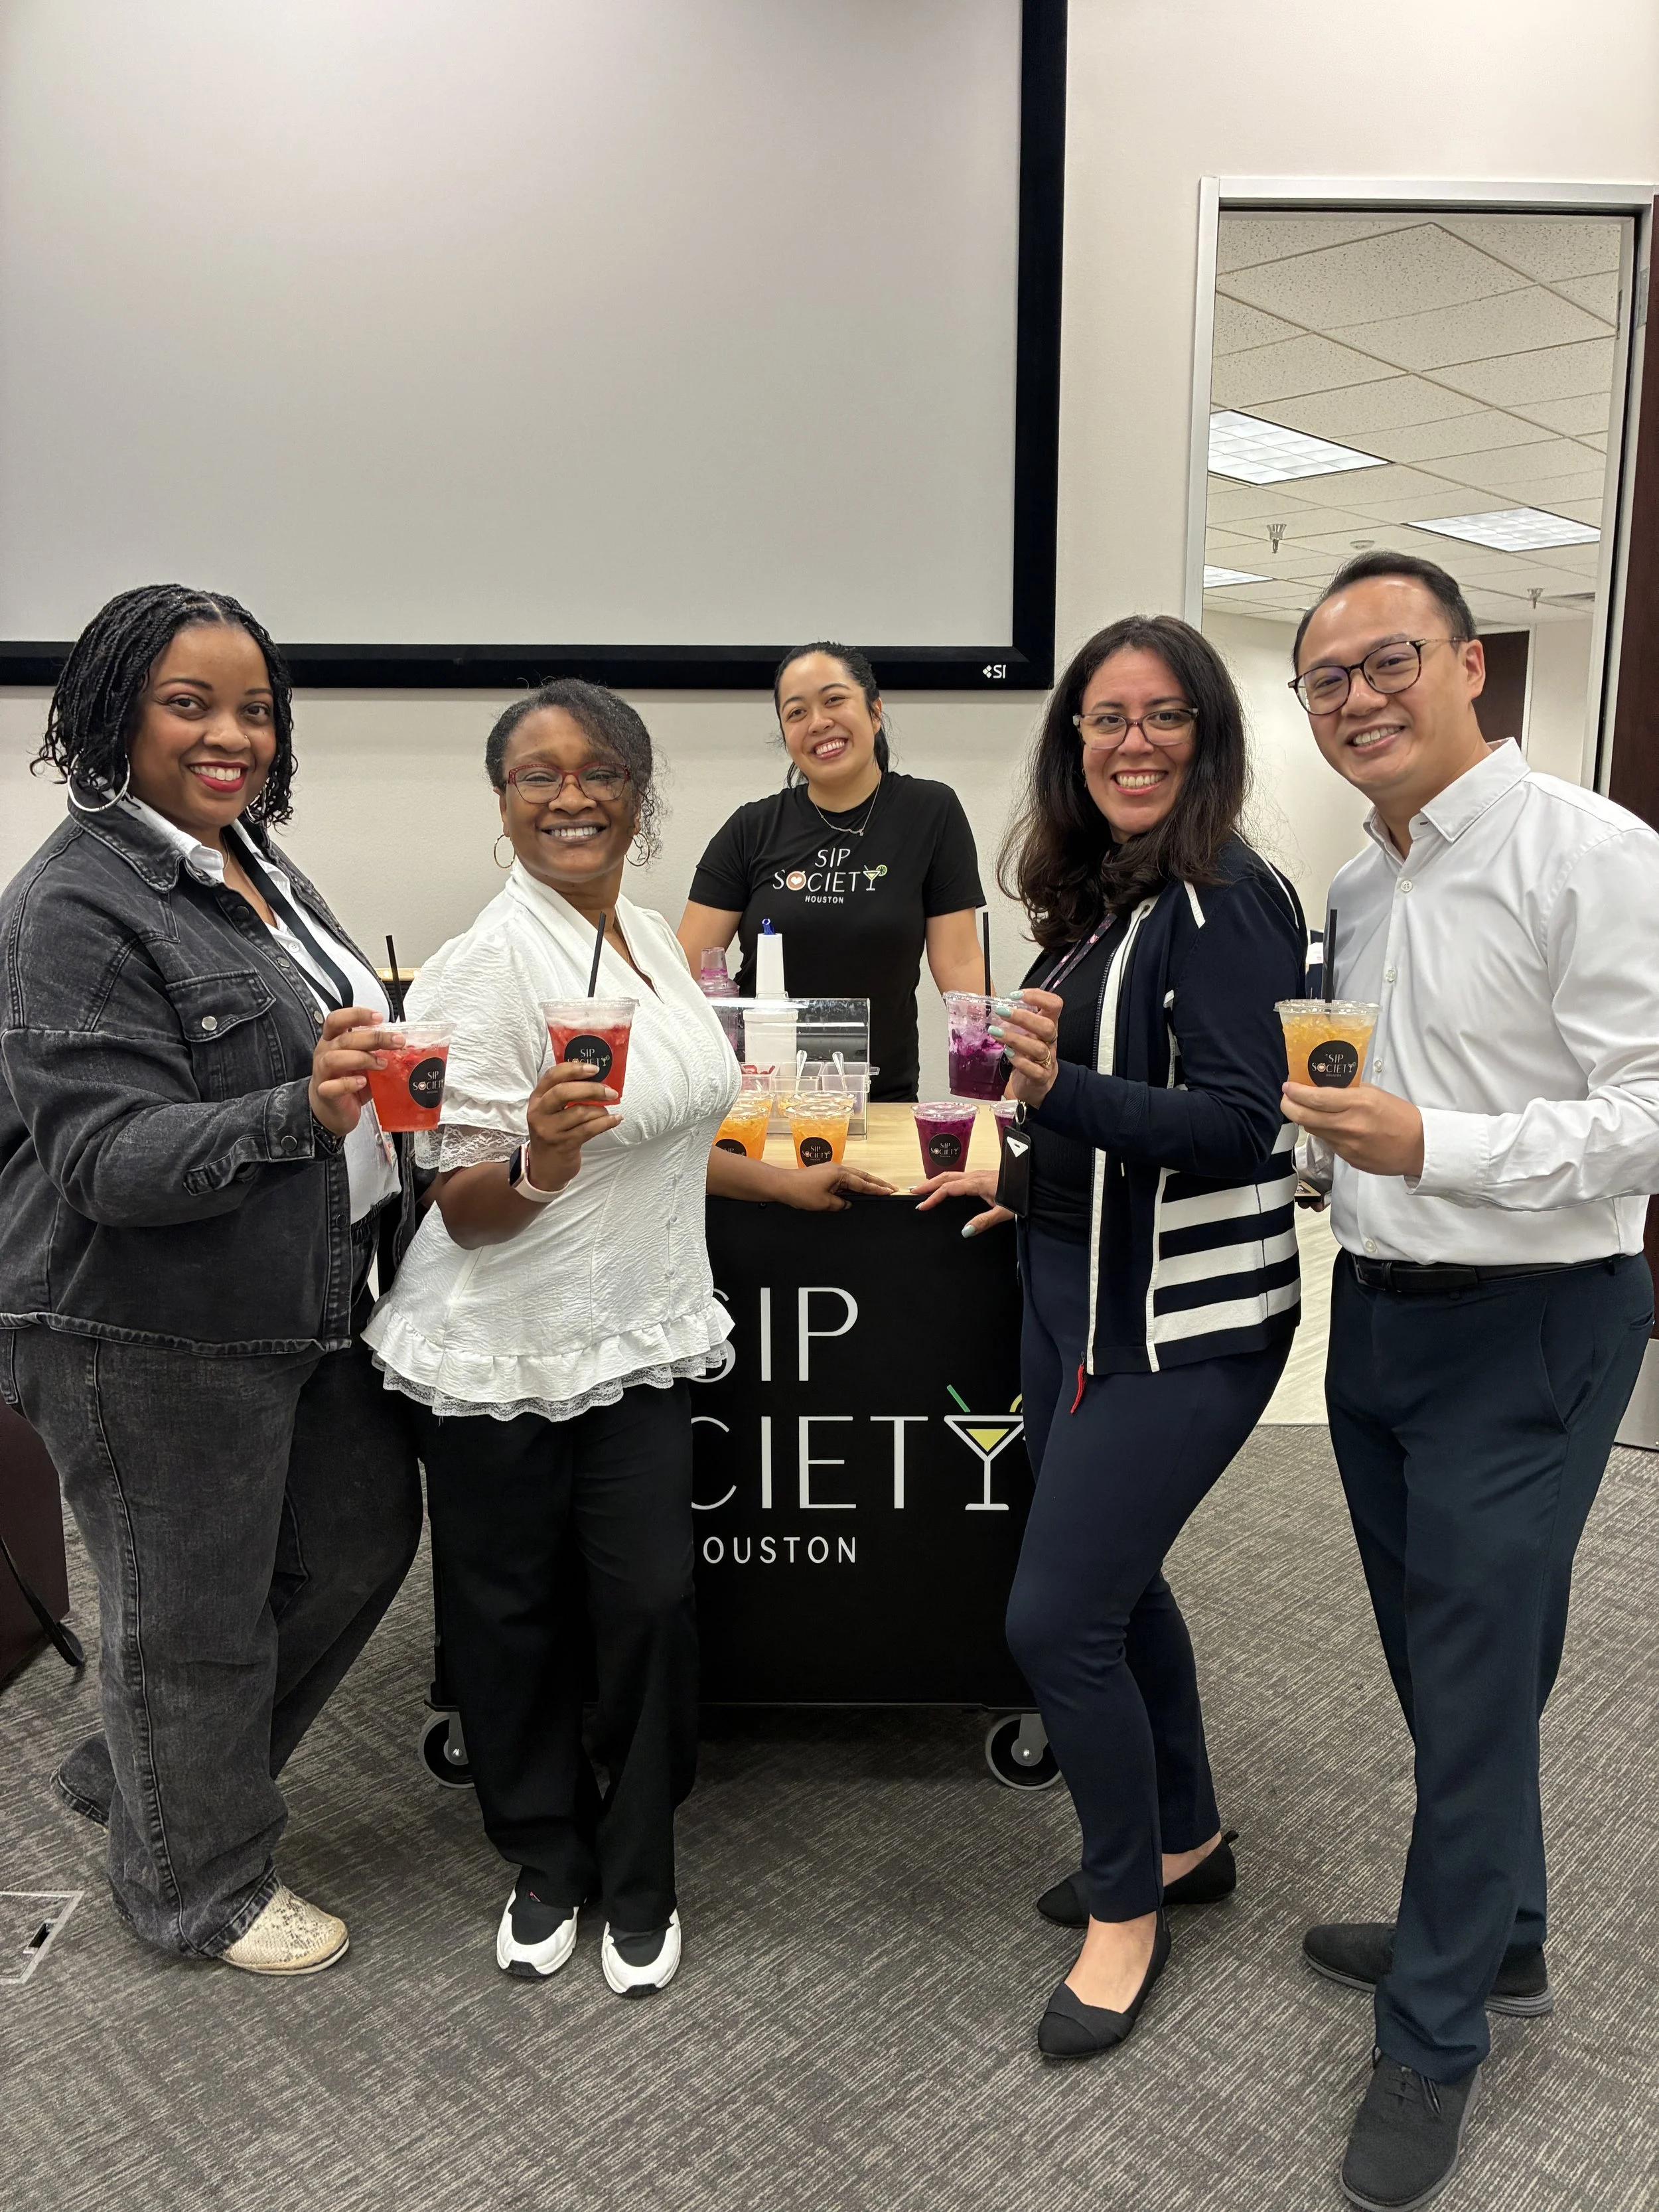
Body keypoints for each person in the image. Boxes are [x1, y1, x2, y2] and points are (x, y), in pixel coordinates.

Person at [363, 679, 890, 1998]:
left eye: (597, 770)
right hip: (499, 1345)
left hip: (637, 1335)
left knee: (652, 1605)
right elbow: (467, 1208)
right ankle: (545, 1858)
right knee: (507, 1615)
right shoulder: (485, 966)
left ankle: (640, 1866)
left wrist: (774, 1181)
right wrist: (536, 1157)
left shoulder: (653, 940)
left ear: (639, 797)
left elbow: (659, 1130)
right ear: (503, 806)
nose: (569, 794)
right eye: (536, 774)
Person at [1281, 551, 1659, 2211]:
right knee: (1445, 1668)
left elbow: (1648, 1111)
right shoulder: (1356, 886)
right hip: (1373, 1317)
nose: (1356, 698)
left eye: (1387, 663)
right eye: (1325, 680)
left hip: (1538, 1320)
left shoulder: (1592, 853)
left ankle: (1436, 2037)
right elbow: (1358, 1099)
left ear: (1467, 669)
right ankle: (1497, 1929)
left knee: (1479, 1665)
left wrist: (1439, 1145)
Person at [0, 584, 423, 1974]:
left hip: (296, 1297)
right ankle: (199, 1886)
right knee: (188, 1622)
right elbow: (108, 1157)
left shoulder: (249, 862)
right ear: (114, 713)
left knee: (358, 1536)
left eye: (254, 706)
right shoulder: (72, 903)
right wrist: (296, 1110)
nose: (232, 733)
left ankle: (149, 1774)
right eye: (191, 702)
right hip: (143, 1324)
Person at [918, 615, 1305, 2059]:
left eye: (1161, 717)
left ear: (1205, 735)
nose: (1130, 742)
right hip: (1073, 1291)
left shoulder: (1222, 900)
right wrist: (1016, 1171)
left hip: (1179, 1324)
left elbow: (1233, 1122)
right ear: (1069, 741)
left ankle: (1121, 1900)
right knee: (1118, 1589)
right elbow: (1098, 1118)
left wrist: (1055, 1091)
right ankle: (1183, 1837)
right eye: (1102, 719)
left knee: (1055, 1617)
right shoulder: (1102, 902)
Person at [678, 642, 987, 1100]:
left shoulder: (930, 811)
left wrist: (998, 1060)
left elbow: (959, 961)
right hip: (759, 1102)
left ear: (875, 711)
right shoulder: (751, 828)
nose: (819, 722)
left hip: (882, 1101)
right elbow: (685, 972)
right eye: (796, 712)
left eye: (834, 700)